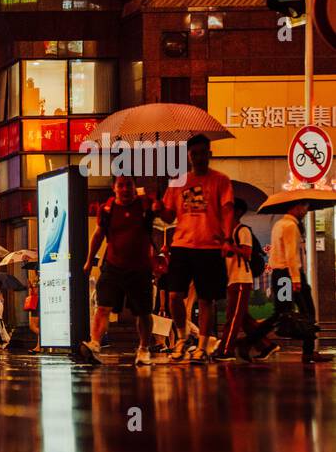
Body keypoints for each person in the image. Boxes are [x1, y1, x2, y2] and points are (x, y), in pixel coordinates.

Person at [154, 134, 234, 363]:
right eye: (194, 153)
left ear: (209, 154)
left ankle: (202, 345)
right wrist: (159, 208)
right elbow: (169, 216)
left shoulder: (221, 180)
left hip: (210, 245)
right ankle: (182, 337)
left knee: (206, 299)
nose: (198, 157)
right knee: (174, 296)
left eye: (202, 153)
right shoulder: (179, 182)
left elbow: (227, 210)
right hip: (182, 245)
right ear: (188, 156)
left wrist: (227, 238)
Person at [79, 173, 158, 366]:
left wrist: (157, 205)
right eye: (120, 185)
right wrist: (89, 261)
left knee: (143, 312)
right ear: (114, 188)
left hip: (140, 268)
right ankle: (95, 344)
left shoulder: (144, 206)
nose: (125, 189)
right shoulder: (107, 210)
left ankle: (144, 348)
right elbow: (98, 236)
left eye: (128, 185)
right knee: (103, 306)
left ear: (134, 187)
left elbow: (166, 216)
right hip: (113, 266)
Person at [242, 199, 323, 363]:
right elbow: (291, 254)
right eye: (304, 207)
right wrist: (296, 279)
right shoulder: (290, 226)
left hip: (283, 276)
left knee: (282, 313)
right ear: (296, 207)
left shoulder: (281, 224)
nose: (306, 211)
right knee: (306, 312)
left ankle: (248, 342)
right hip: (289, 276)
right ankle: (308, 352)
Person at [220, 198, 275, 361]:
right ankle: (266, 345)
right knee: (243, 318)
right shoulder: (228, 233)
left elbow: (247, 253)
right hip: (233, 279)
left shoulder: (242, 230)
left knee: (233, 317)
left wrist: (231, 248)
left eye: (227, 210)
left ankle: (226, 350)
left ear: (236, 212)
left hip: (241, 279)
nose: (224, 214)